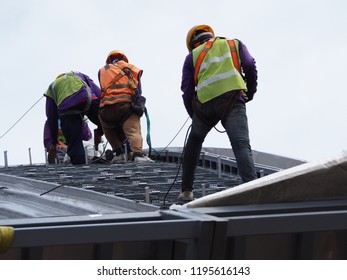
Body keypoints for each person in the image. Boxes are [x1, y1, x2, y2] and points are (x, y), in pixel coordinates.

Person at [179, 24, 258, 202]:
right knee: (240, 144)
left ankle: (186, 191)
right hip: (233, 99)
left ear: (193, 43)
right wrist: (250, 92)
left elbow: (187, 91)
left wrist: (195, 116)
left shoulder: (192, 56)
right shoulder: (234, 44)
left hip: (205, 105)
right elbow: (249, 65)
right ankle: (252, 187)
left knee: (193, 143)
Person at [97, 50, 153, 163]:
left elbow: (102, 89)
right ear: (124, 58)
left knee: (108, 128)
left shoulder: (102, 70)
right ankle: (138, 154)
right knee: (133, 130)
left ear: (109, 60)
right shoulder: (132, 68)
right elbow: (138, 91)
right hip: (126, 106)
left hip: (107, 108)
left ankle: (119, 153)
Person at [44, 71, 104, 165]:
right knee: (110, 124)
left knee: (75, 144)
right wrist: (102, 127)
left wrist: (53, 142)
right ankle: (123, 151)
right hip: (87, 100)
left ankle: (80, 167)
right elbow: (99, 94)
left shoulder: (52, 87)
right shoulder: (78, 75)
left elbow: (51, 116)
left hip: (67, 110)